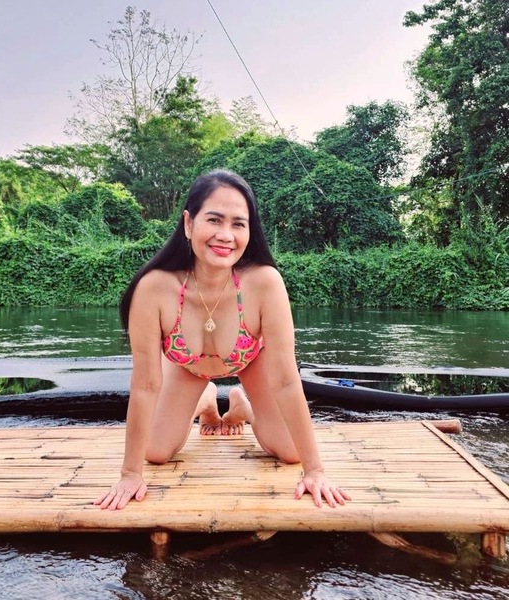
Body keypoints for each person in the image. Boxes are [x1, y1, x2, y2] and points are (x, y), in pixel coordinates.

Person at [95, 170, 350, 511]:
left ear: (250, 231)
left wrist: (315, 471)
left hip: (250, 359)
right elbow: (145, 385)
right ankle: (205, 400)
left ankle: (241, 405)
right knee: (155, 452)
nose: (226, 235)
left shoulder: (264, 282)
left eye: (238, 224)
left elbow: (287, 381)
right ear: (189, 224)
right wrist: (130, 474)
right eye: (214, 220)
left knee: (290, 452)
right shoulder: (155, 288)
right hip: (186, 367)